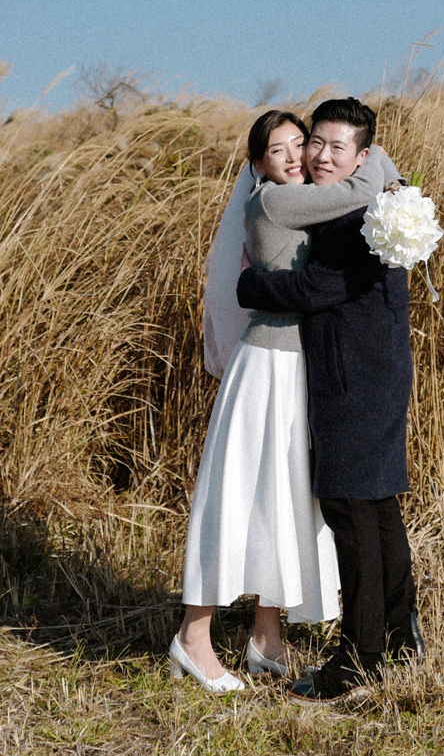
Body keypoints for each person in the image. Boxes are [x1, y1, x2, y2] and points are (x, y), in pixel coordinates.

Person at [169, 107, 402, 692]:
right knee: (237, 497)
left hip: (298, 368)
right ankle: (194, 638)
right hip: (267, 365)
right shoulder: (276, 202)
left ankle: (266, 636)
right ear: (257, 165)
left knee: (282, 501)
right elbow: (360, 188)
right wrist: (379, 164)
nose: (299, 157)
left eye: (302, 143)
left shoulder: (309, 197)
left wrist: (376, 165)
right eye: (281, 150)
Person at [237, 97, 422, 703]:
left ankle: (357, 661)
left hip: (353, 382)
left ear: (361, 157)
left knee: (351, 514)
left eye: (336, 147)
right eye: (314, 141)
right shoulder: (371, 203)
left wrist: (251, 285)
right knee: (378, 508)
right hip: (376, 375)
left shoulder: (356, 219)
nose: (318, 155)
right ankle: (399, 638)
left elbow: (319, 287)